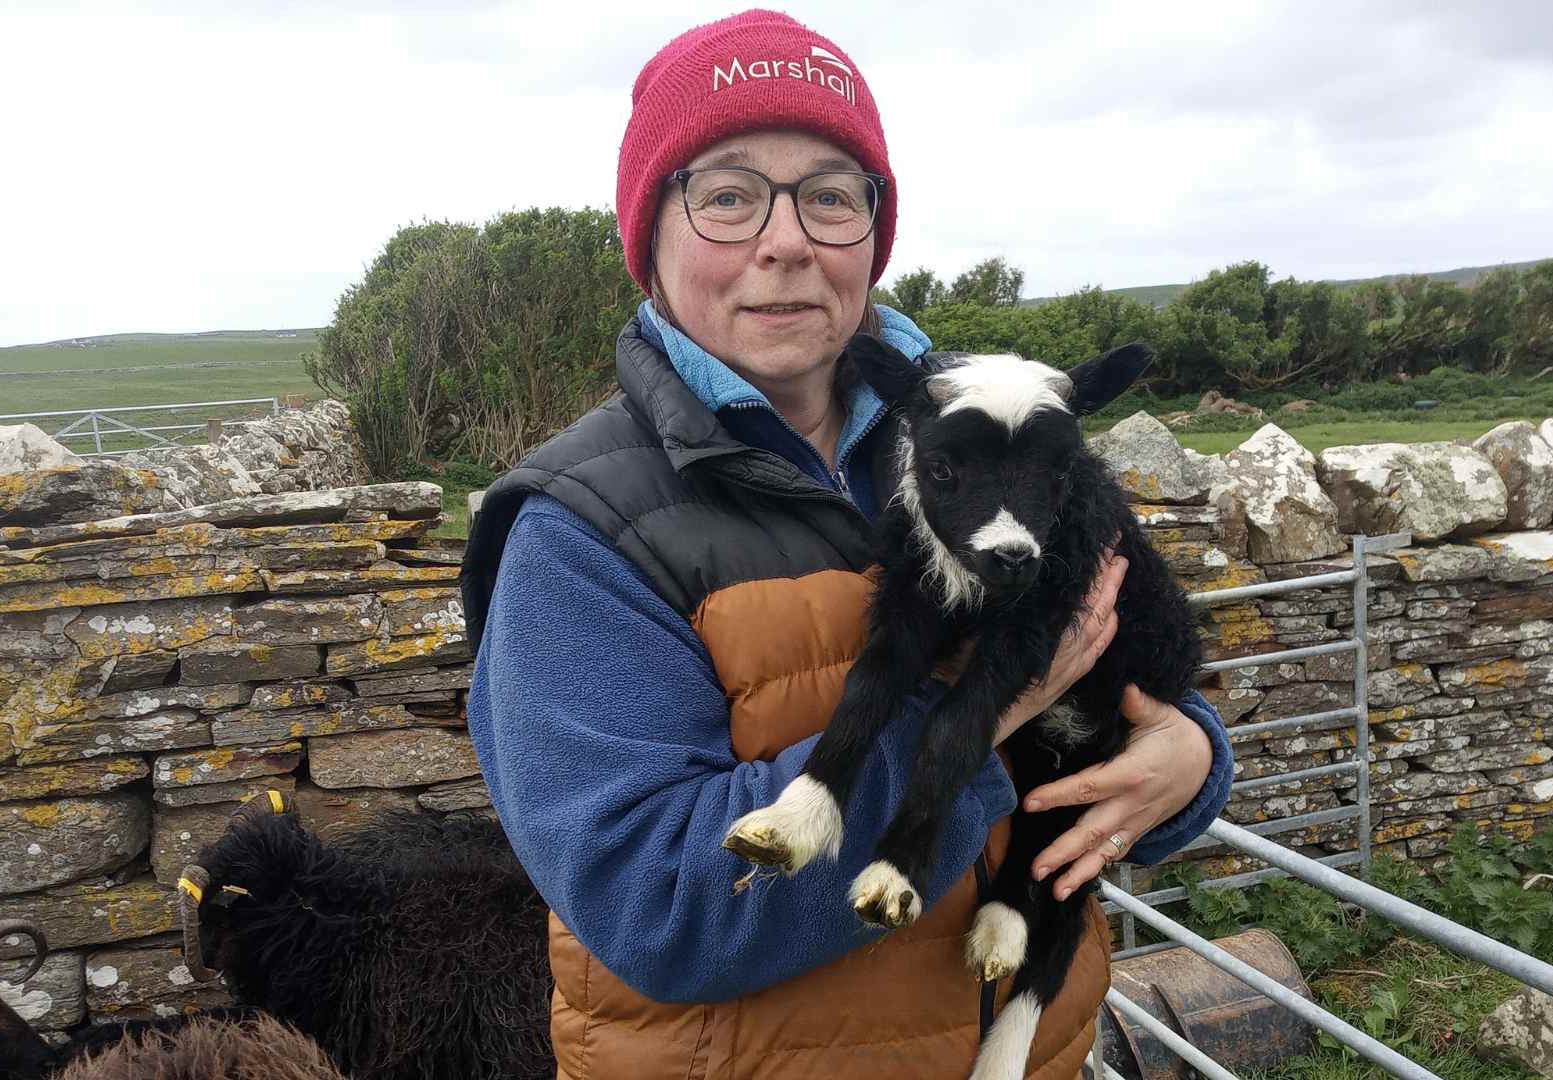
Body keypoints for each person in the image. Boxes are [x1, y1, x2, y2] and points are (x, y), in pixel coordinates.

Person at [461, 11, 1234, 1078]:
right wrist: (987, 714)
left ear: (874, 231)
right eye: (727, 195)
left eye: (831, 195)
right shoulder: (578, 533)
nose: (786, 240)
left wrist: (1187, 760)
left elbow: (1120, 647)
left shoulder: (996, 426)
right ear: (650, 237)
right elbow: (657, 907)